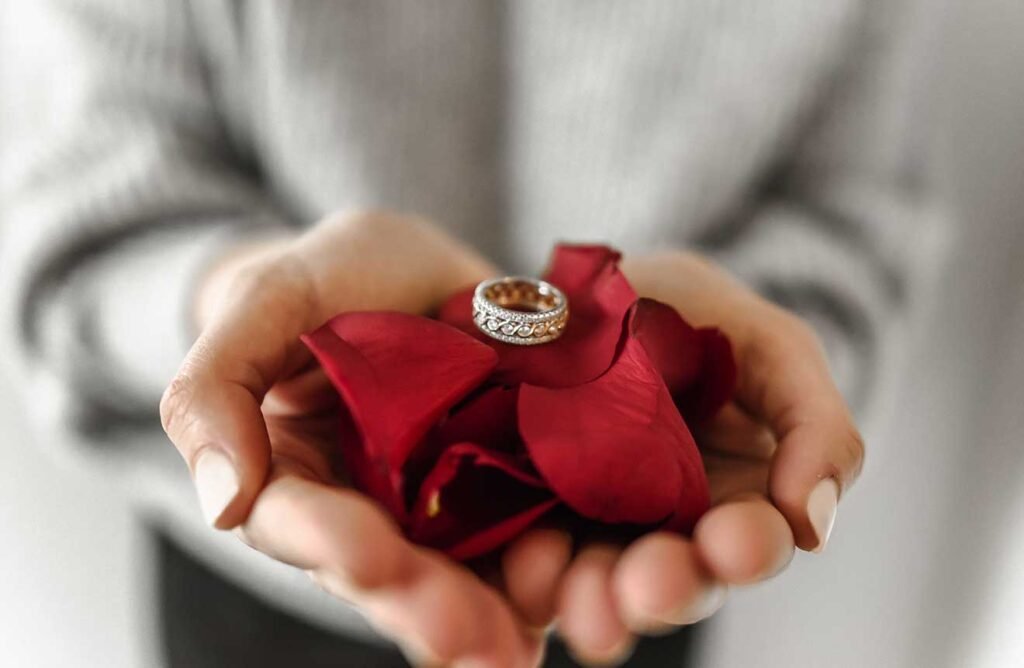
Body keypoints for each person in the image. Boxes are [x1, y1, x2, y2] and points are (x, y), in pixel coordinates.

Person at [0, 1, 945, 666]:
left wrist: (761, 360)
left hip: (645, 549)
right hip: (258, 576)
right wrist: (236, 303)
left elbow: (849, 216)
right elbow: (94, 189)